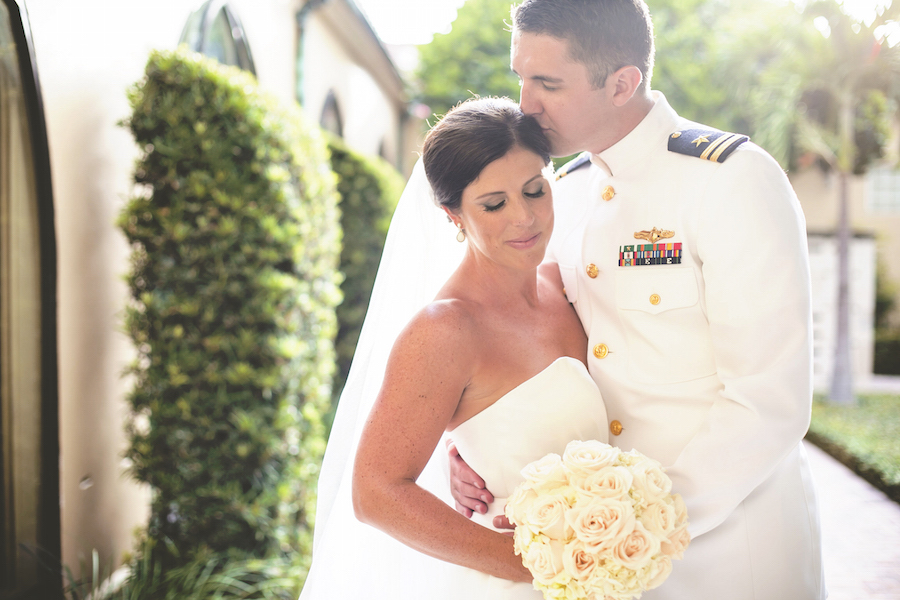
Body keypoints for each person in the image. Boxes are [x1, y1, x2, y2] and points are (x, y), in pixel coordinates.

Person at [449, 1, 825, 599]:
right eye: (521, 77)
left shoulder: (731, 180)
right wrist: (482, 441)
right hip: (595, 551)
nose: (525, 103)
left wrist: (641, 518)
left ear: (623, 82)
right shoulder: (561, 194)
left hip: (730, 553)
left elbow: (769, 400)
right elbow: (523, 334)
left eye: (547, 83)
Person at [300, 97, 609, 599]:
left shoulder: (569, 284)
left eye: (535, 190)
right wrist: (530, 564)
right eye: (494, 204)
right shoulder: (445, 331)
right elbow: (375, 493)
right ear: (452, 214)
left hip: (613, 573)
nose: (524, 218)